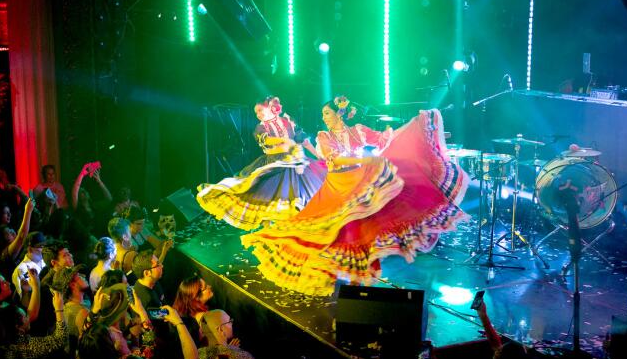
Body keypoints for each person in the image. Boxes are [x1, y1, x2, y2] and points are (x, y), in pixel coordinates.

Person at [242, 96, 469, 296]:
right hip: (338, 185)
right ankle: (342, 278)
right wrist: (368, 161)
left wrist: (406, 130)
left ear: (340, 113)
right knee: (328, 232)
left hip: (359, 182)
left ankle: (360, 278)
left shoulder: (358, 130)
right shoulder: (324, 136)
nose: (324, 118)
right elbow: (336, 161)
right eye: (323, 115)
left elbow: (383, 140)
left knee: (368, 225)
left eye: (327, 113)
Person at [197, 96, 328, 231]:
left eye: (260, 110)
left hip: (296, 163)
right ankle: (275, 232)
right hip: (275, 164)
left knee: (302, 199)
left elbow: (303, 140)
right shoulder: (260, 127)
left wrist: (318, 155)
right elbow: (267, 140)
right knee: (272, 200)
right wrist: (286, 141)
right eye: (256, 113)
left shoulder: (288, 120)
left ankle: (296, 230)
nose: (258, 114)